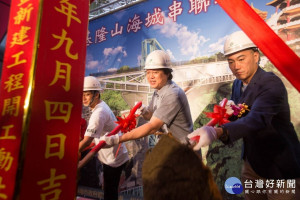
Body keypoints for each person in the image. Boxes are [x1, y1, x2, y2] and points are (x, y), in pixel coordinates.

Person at [188, 30, 300, 200]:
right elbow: (240, 114)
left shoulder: (270, 83)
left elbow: (257, 119)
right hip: (252, 163)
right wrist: (229, 113)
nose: (236, 66)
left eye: (241, 59)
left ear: (256, 56)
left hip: (279, 166)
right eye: (231, 61)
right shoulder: (237, 84)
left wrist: (218, 132)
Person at [102, 49, 194, 145]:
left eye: (155, 72)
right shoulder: (158, 90)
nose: (150, 77)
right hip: (170, 148)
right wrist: (144, 111)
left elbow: (152, 127)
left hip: (183, 151)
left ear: (167, 73)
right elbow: (150, 116)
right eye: (148, 72)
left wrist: (118, 139)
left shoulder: (172, 94)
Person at [78, 76, 129, 200]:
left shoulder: (98, 113)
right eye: (82, 94)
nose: (83, 98)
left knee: (110, 193)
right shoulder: (100, 105)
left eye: (88, 94)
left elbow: (87, 140)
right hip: (114, 155)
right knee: (110, 191)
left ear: (96, 95)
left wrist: (70, 154)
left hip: (113, 159)